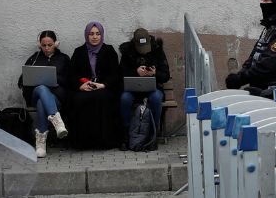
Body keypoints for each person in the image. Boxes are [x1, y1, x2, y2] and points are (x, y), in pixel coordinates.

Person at [225, 0, 276, 91]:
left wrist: (241, 78)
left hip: (274, 94)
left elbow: (271, 63)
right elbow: (254, 55)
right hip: (259, 90)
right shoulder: (269, 26)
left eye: (266, 0)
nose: (261, 3)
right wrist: (241, 74)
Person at [65, 21, 123, 149]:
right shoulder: (79, 52)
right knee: (78, 99)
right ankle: (83, 143)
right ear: (86, 35)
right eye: (91, 34)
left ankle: (103, 142)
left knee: (102, 98)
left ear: (102, 35)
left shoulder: (109, 50)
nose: (95, 37)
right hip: (84, 88)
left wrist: (102, 85)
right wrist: (80, 86)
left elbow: (115, 74)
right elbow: (71, 75)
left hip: (103, 88)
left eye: (97, 33)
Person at [17, 30, 69, 158]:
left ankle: (40, 142)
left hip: (56, 97)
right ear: (39, 44)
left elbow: (69, 80)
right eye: (43, 45)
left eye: (49, 45)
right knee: (41, 88)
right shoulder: (34, 58)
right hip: (34, 94)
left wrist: (55, 80)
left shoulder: (63, 59)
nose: (46, 48)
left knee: (42, 102)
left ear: (56, 44)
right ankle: (57, 121)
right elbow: (21, 80)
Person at [119, 27, 170, 149]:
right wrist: (135, 72)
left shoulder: (157, 50)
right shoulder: (127, 52)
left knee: (157, 98)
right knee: (125, 98)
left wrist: (154, 73)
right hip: (133, 90)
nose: (143, 52)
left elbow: (166, 75)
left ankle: (153, 132)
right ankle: (126, 132)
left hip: (153, 89)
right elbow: (121, 74)